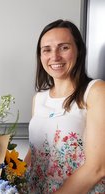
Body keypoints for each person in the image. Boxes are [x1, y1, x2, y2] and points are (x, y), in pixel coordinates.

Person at [24, 19, 105, 193]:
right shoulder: (38, 98)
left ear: (79, 51)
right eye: (47, 50)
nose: (55, 56)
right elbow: (35, 153)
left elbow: (97, 168)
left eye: (64, 47)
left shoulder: (96, 91)